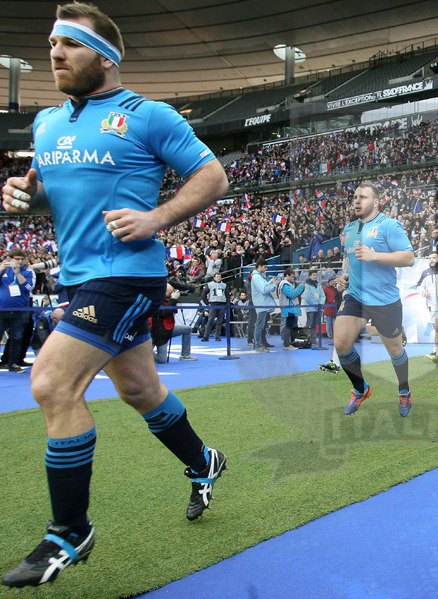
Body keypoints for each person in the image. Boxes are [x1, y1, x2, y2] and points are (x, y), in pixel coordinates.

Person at [0, 3, 228, 588]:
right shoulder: (46, 124)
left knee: (51, 382)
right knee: (140, 390)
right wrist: (25, 196)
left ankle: (69, 532)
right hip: (80, 277)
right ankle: (205, 461)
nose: (55, 54)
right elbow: (50, 193)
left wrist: (157, 218)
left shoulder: (148, 116)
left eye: (69, 44)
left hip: (126, 275)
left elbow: (213, 177)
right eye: (52, 44)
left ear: (105, 57)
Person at [334, 182, 415, 416]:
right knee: (341, 343)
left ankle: (404, 390)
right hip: (356, 296)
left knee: (395, 350)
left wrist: (375, 255)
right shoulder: (349, 228)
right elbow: (350, 258)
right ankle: (361, 389)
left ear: (377, 202)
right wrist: (346, 275)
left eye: (363, 197)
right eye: (355, 197)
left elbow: (408, 258)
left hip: (384, 300)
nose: (357, 201)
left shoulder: (389, 225)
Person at [0, 249, 34, 373]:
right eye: (17, 259)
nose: (19, 261)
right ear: (10, 259)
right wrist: (2, 268)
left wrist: (18, 274)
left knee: (17, 338)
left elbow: (29, 288)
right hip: (2, 309)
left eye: (21, 259)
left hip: (20, 310)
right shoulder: (4, 270)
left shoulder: (28, 272)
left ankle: (13, 363)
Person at [150, 284, 197, 363]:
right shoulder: (156, 300)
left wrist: (174, 301)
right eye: (170, 293)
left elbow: (172, 312)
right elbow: (164, 314)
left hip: (169, 328)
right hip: (159, 332)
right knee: (162, 359)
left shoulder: (168, 299)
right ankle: (143, 354)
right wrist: (173, 300)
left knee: (187, 329)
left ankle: (185, 355)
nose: (172, 294)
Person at [250, 258, 278, 352]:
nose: (266, 269)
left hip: (263, 304)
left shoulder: (259, 277)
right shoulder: (257, 277)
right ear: (259, 266)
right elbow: (264, 290)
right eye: (265, 267)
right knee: (260, 326)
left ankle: (262, 343)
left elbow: (264, 286)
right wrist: (274, 285)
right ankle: (258, 345)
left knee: (263, 326)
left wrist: (271, 283)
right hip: (261, 304)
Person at [278, 266, 304, 350]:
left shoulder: (288, 284)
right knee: (288, 326)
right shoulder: (285, 284)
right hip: (289, 309)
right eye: (292, 277)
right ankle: (286, 344)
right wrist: (300, 287)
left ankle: (290, 343)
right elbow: (292, 294)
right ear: (287, 275)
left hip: (291, 308)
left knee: (291, 326)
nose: (293, 278)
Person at [201, 272, 227, 342]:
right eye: (217, 277)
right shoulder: (210, 284)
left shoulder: (224, 285)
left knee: (220, 321)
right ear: (214, 278)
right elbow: (203, 294)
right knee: (210, 320)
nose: (218, 278)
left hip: (222, 304)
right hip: (213, 303)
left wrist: (227, 303)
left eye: (220, 276)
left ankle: (217, 336)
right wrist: (207, 303)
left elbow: (227, 295)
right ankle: (206, 336)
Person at [302, 268, 326, 345]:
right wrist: (316, 304)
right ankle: (306, 339)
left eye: (316, 275)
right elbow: (307, 297)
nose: (315, 276)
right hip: (311, 308)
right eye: (314, 275)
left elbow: (323, 295)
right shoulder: (307, 285)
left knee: (315, 324)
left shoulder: (318, 285)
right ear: (310, 276)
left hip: (318, 308)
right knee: (309, 324)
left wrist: (320, 304)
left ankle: (313, 339)